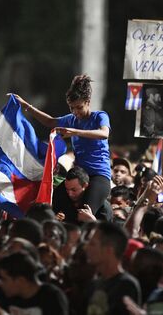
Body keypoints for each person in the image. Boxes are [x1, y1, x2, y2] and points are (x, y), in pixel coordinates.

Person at [13, 74, 111, 218]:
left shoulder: (99, 116)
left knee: (84, 214)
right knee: (53, 203)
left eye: (79, 107)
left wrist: (75, 132)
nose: (75, 112)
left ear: (88, 102)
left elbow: (104, 133)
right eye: (72, 108)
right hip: (79, 175)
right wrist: (27, 106)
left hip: (98, 175)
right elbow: (50, 121)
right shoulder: (71, 119)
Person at [84, 221, 141, 315]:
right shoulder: (93, 285)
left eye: (92, 244)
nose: (86, 248)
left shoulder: (126, 285)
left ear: (109, 250)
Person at [0, 251, 69, 314]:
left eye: (4, 279)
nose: (1, 284)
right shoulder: (3, 296)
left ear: (21, 280)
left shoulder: (52, 297)